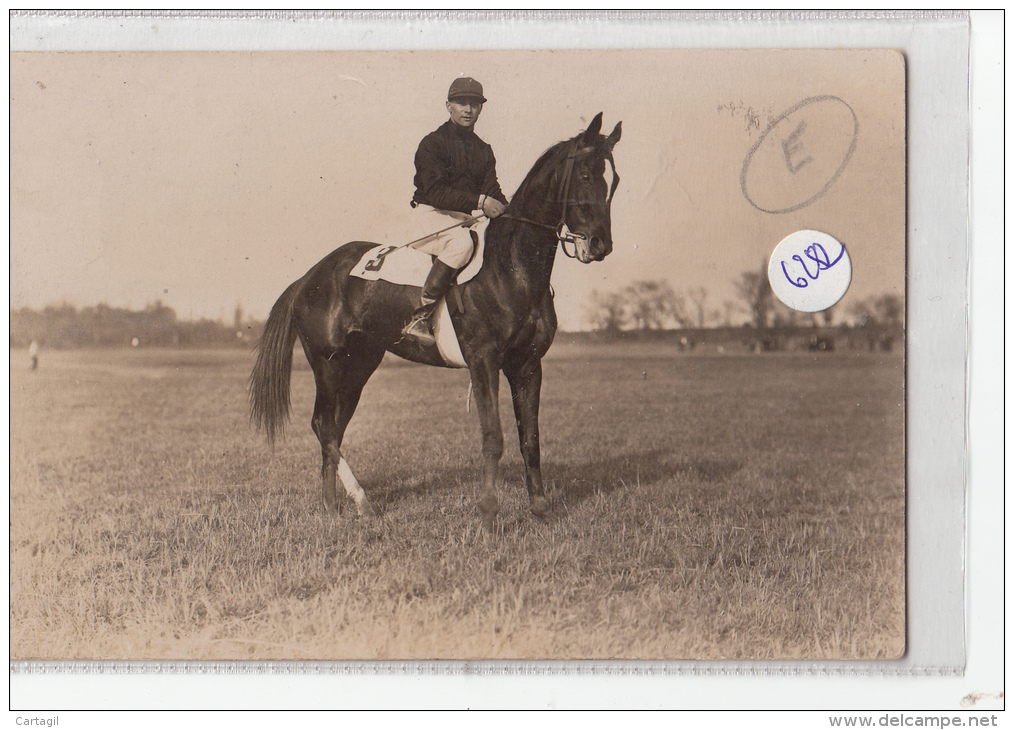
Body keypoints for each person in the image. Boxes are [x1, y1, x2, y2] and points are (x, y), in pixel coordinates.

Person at [401, 76, 509, 346]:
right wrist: (482, 202)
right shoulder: (433, 143)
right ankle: (420, 316)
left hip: (462, 220)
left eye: (474, 104)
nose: (468, 110)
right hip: (429, 216)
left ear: (481, 109)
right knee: (462, 244)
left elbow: (492, 190)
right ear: (448, 105)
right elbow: (436, 193)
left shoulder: (484, 150)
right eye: (461, 103)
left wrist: (510, 211)